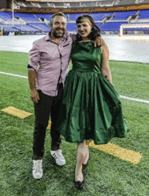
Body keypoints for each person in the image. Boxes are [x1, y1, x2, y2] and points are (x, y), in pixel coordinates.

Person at [28, 12, 105, 180]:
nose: (60, 27)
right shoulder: (39, 44)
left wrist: (98, 37)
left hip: (63, 90)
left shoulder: (69, 39)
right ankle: (37, 159)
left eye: (63, 24)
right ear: (50, 25)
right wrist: (33, 90)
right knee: (40, 126)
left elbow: (86, 33)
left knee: (58, 123)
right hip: (43, 91)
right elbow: (31, 67)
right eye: (57, 24)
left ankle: (56, 150)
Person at [56, 15, 129, 190]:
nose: (81, 28)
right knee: (80, 128)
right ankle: (78, 170)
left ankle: (79, 167)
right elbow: (64, 64)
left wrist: (111, 90)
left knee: (88, 124)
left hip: (94, 88)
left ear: (92, 26)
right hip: (75, 88)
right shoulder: (72, 43)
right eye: (79, 25)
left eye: (85, 25)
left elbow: (105, 69)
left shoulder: (101, 44)